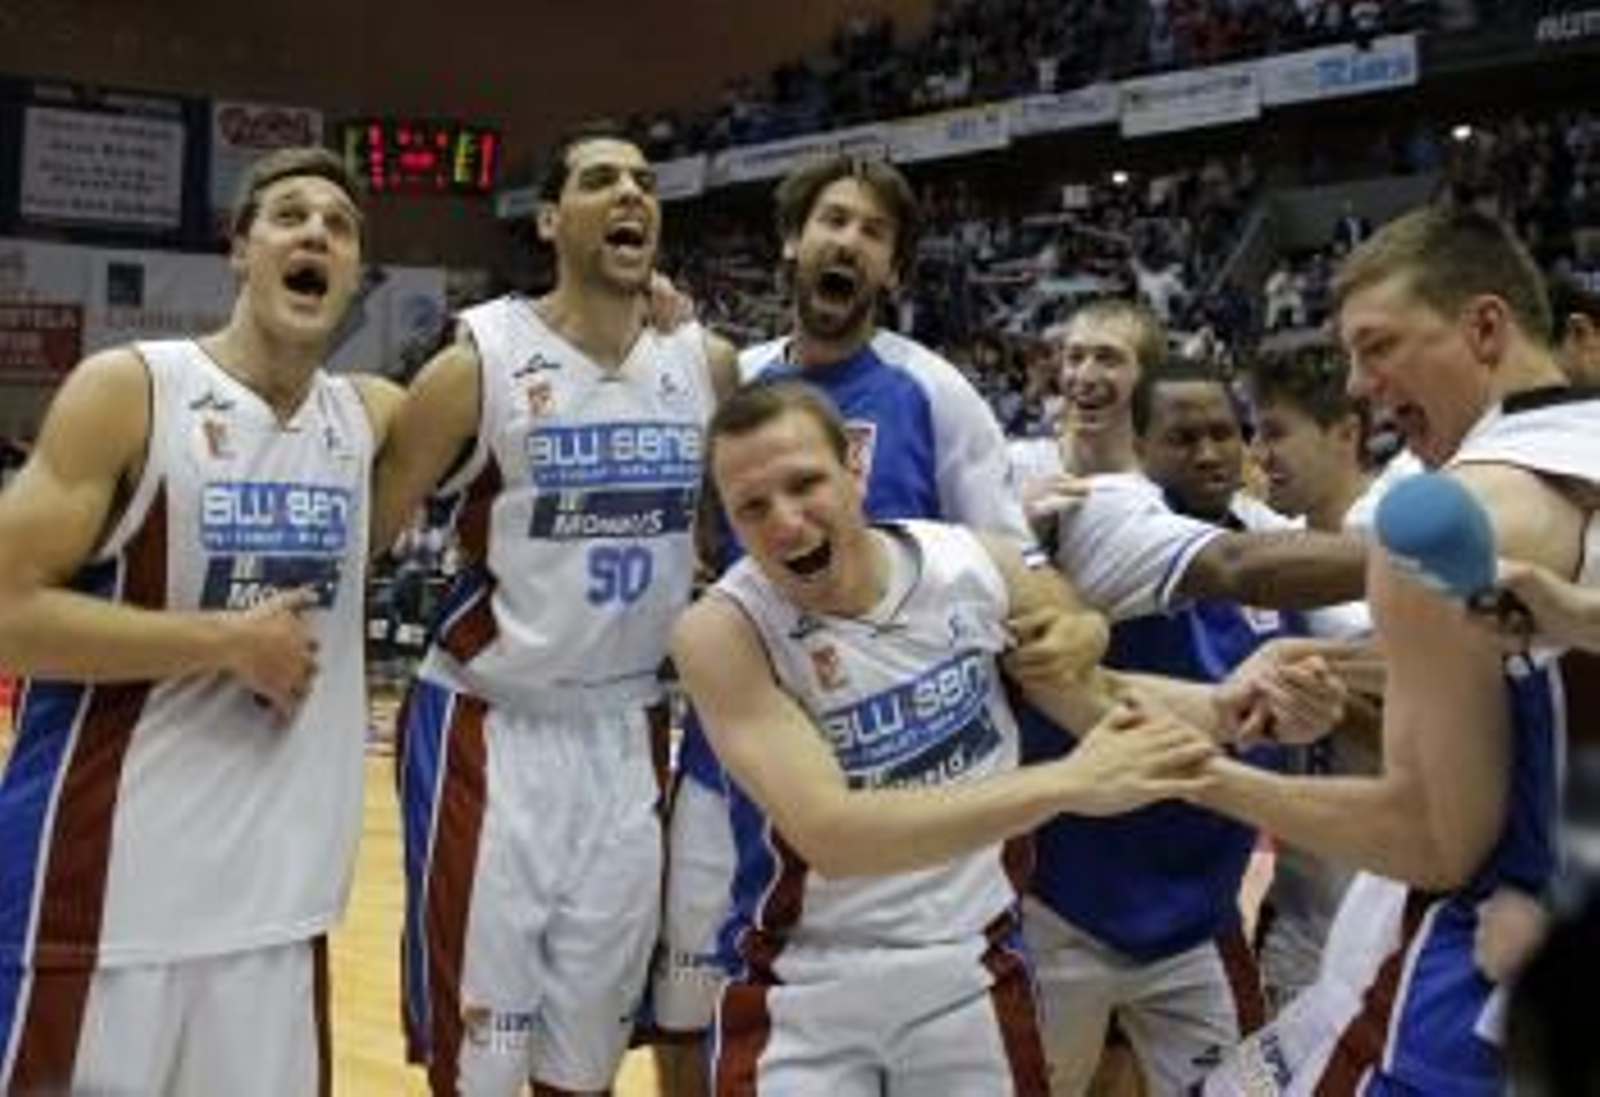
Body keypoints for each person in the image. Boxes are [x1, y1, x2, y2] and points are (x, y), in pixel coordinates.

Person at [652, 154, 1079, 1090]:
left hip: (897, 763)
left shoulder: (936, 391)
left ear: (892, 271)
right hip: (739, 762)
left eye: (874, 232)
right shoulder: (731, 379)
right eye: (832, 220)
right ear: (793, 242)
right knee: (690, 1009)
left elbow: (1016, 567)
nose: (848, 240)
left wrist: (1073, 626)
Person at [674, 380, 1232, 1094]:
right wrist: (1067, 783)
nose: (784, 522)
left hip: (969, 967)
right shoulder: (722, 631)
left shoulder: (974, 565)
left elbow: (1098, 702)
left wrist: (1234, 703)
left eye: (804, 483)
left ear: (854, 466)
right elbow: (834, 834)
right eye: (752, 507)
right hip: (802, 978)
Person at [0, 147, 397, 1094]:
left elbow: (516, 384)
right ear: (240, 249)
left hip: (274, 914)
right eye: (290, 216)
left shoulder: (372, 414)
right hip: (102, 894)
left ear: (353, 274)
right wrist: (223, 644)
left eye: (338, 227)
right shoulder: (132, 389)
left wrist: (648, 312)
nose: (315, 234)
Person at [1196, 205, 1600, 1093]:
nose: (1359, 383)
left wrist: (1201, 776)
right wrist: (1343, 672)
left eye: (1377, 347)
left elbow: (1432, 839)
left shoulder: (1448, 522)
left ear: (1485, 326)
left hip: (1469, 997)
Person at [374, 123, 737, 1096]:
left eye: (644, 182)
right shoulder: (476, 362)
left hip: (628, 728)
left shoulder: (706, 364)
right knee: (484, 1060)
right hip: (492, 729)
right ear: (549, 218)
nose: (630, 195)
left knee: (583, 1057)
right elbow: (367, 525)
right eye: (601, 180)